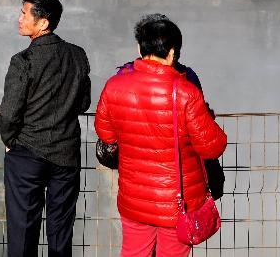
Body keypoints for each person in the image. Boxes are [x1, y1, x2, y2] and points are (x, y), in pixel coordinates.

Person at [95, 14, 227, 257]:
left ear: (139, 47)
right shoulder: (187, 92)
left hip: (134, 197)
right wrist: (208, 119)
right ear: (173, 52)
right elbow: (212, 147)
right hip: (177, 202)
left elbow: (106, 134)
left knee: (134, 252)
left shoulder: (114, 86)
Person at [0, 0, 91, 257]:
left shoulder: (23, 61)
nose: (20, 18)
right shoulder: (77, 55)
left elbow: (10, 112)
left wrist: (9, 140)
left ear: (42, 23)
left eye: (25, 14)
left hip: (27, 153)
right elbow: (83, 102)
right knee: (61, 230)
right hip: (66, 153)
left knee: (23, 230)